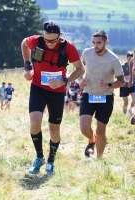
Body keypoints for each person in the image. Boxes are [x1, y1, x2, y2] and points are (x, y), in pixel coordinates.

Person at [21, 20, 85, 175]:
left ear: (60, 37)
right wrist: (28, 66)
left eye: (53, 41)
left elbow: (80, 69)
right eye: (47, 40)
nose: (50, 43)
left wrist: (65, 80)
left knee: (54, 130)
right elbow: (24, 43)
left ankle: (51, 160)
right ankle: (39, 157)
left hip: (57, 91)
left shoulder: (67, 47)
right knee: (35, 123)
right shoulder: (36, 41)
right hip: (38, 87)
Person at [80, 30, 125, 158]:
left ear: (106, 42)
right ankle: (92, 140)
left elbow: (122, 81)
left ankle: (99, 158)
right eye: (93, 42)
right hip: (88, 94)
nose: (96, 46)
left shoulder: (113, 59)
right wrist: (81, 80)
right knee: (84, 128)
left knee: (101, 129)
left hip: (105, 97)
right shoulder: (86, 53)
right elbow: (79, 69)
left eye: (99, 43)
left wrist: (108, 85)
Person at [119, 51, 135, 116]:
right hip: (124, 86)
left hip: (132, 85)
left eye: (132, 58)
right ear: (126, 58)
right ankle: (124, 114)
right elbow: (118, 75)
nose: (130, 60)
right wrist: (125, 77)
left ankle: (130, 109)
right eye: (129, 58)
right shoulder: (123, 66)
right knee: (126, 102)